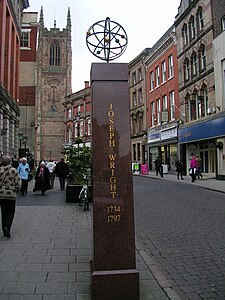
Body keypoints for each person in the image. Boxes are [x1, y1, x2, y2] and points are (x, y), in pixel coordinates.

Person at [0, 155, 20, 238]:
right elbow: (18, 182)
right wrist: (16, 189)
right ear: (9, 162)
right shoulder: (13, 170)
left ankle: (4, 228)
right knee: (11, 211)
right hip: (11, 194)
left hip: (1, 194)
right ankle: (7, 227)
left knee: (3, 212)